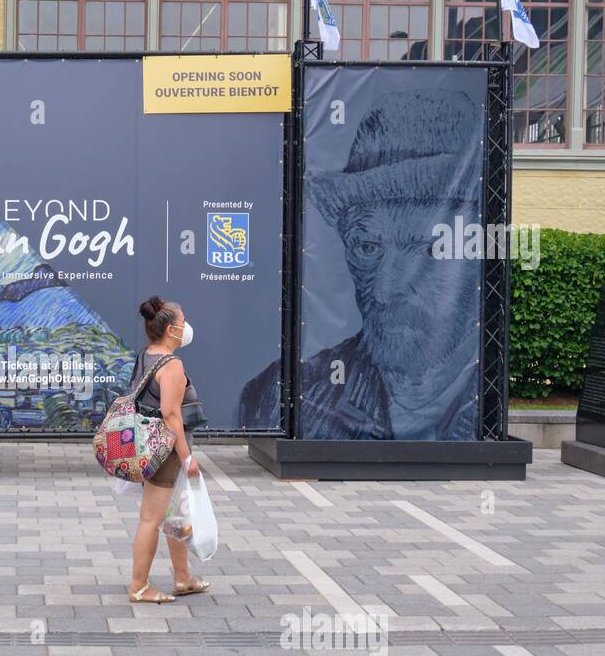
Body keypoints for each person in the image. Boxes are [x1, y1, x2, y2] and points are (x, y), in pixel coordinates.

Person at [239, 89, 482, 440]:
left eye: (429, 251)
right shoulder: (277, 397)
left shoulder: (486, 402)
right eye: (367, 248)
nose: (384, 290)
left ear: (475, 252)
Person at [128, 297, 211, 604]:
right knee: (151, 518)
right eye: (183, 321)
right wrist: (187, 456)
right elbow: (171, 414)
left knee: (175, 515)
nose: (187, 327)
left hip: (149, 446)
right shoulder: (172, 365)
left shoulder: (147, 356)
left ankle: (183, 577)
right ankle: (139, 586)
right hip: (167, 451)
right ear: (172, 329)